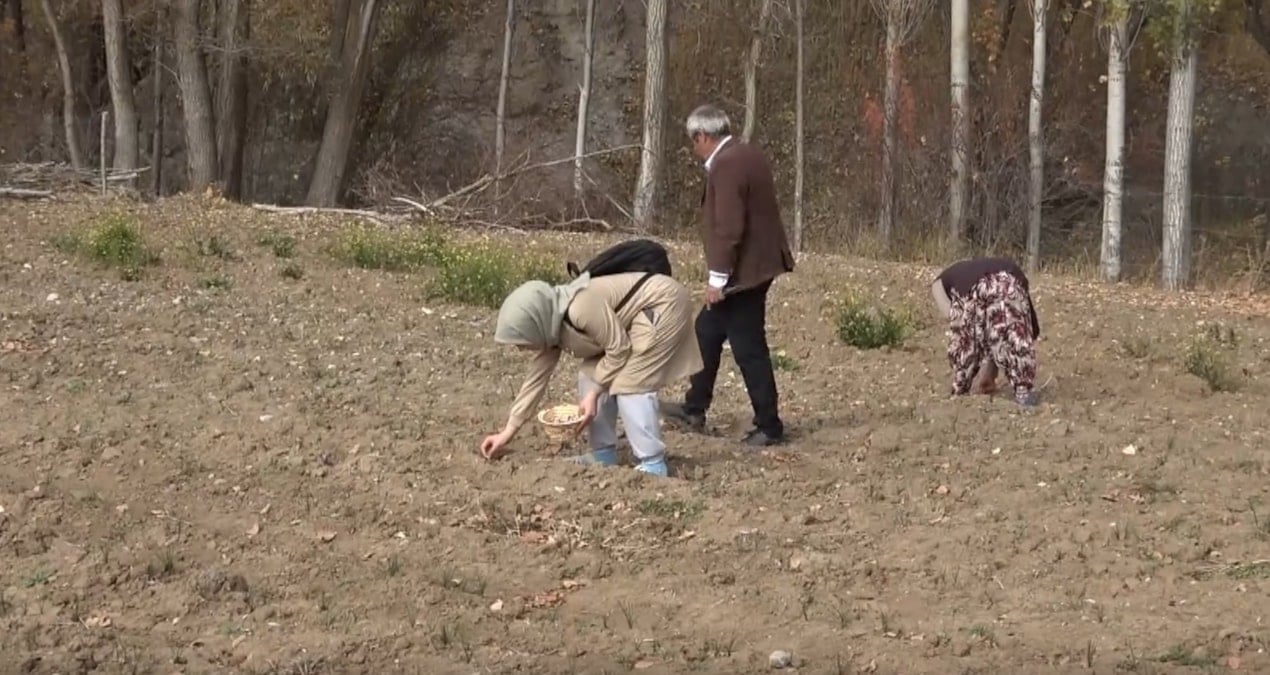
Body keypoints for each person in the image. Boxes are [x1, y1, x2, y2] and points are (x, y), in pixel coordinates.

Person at [479, 271, 703, 477]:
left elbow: (619, 349)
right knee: (589, 375)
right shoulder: (551, 326)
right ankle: (603, 453)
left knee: (631, 383)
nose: (521, 349)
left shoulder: (579, 308)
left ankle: (653, 463)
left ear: (535, 322)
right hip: (633, 322)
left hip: (662, 304)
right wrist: (508, 432)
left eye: (522, 341)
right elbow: (535, 381)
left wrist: (594, 394)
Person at [661, 104, 795, 447]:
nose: (694, 149)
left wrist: (717, 279)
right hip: (758, 264)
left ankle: (769, 425)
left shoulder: (726, 165)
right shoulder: (747, 153)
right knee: (707, 330)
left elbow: (729, 227)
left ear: (702, 137)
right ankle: (694, 407)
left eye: (694, 141)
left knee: (749, 347)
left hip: (744, 272)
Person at [930, 257, 1041, 408]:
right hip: (1011, 282)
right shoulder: (1004, 269)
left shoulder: (938, 283)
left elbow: (955, 320)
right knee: (1015, 337)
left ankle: (960, 390)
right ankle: (1023, 393)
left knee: (966, 342)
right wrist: (990, 372)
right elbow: (1018, 326)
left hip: (973, 290)